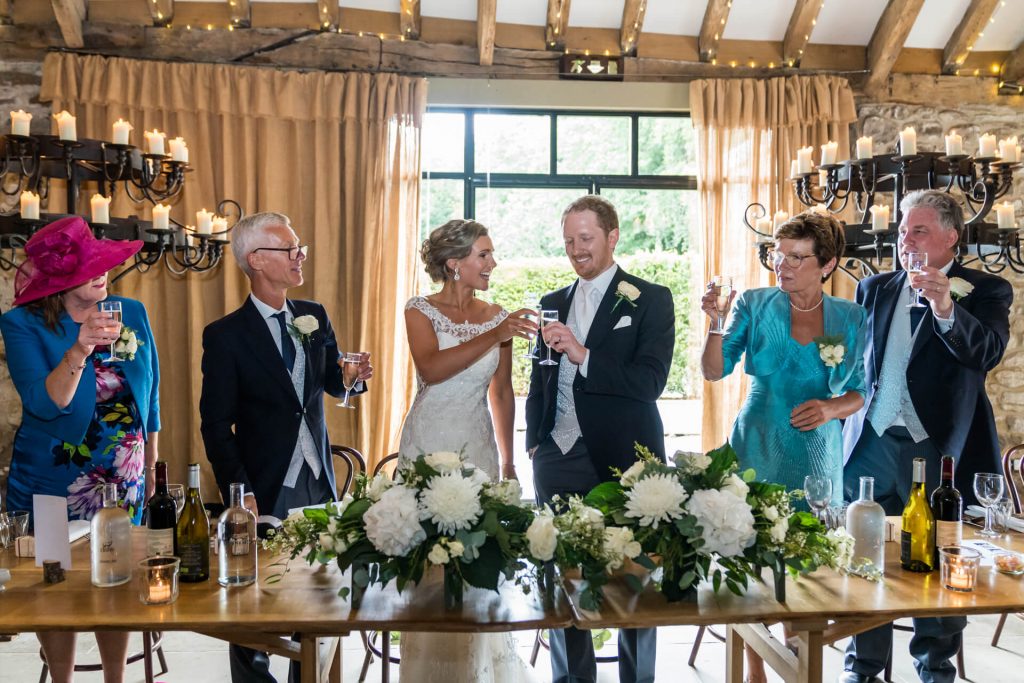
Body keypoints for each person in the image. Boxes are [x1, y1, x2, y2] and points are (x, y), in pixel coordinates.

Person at [840, 190, 1012, 683]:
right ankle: (862, 667)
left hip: (937, 448)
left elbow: (987, 353)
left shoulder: (987, 290)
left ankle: (935, 668)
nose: (905, 240)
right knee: (865, 553)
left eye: (919, 230)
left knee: (936, 556)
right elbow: (859, 363)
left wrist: (944, 307)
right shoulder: (874, 287)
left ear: (951, 236)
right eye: (902, 231)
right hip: (869, 442)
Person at [199, 211, 372, 683]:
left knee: (317, 594)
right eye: (289, 249)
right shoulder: (225, 336)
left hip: (317, 482)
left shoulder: (313, 315)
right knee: (251, 604)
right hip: (264, 485)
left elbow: (333, 384)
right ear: (256, 260)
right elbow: (215, 426)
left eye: (301, 248)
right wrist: (240, 492)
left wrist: (352, 379)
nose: (300, 256)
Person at [700, 210, 867, 683]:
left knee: (806, 563)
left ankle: (798, 656)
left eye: (797, 257)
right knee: (749, 554)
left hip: (817, 453)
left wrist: (832, 408)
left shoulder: (850, 316)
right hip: (756, 446)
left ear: (827, 264)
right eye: (778, 255)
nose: (782, 265)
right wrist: (716, 322)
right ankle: (754, 669)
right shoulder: (755, 304)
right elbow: (713, 371)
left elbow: (860, 390)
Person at [0, 215, 160, 683]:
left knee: (118, 576)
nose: (101, 272)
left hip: (124, 473)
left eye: (101, 263)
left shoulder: (131, 311)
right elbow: (43, 404)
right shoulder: (22, 324)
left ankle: (116, 678)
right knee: (54, 581)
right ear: (58, 280)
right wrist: (79, 349)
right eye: (88, 267)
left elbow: (151, 393)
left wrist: (152, 461)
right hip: (54, 472)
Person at [527, 195, 674, 683]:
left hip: (625, 459)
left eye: (586, 238)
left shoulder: (651, 298)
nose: (576, 249)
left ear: (612, 237)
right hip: (557, 456)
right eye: (569, 240)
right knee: (561, 578)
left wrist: (583, 353)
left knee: (635, 578)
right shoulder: (551, 302)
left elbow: (650, 382)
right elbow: (539, 379)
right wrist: (536, 443)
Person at [397, 219, 538, 682]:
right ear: (455, 263)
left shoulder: (498, 315)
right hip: (428, 441)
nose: (493, 262)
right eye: (484, 254)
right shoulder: (419, 310)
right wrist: (495, 335)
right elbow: (432, 369)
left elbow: (502, 392)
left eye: (491, 254)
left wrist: (509, 461)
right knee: (429, 563)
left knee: (478, 560)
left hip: (477, 445)